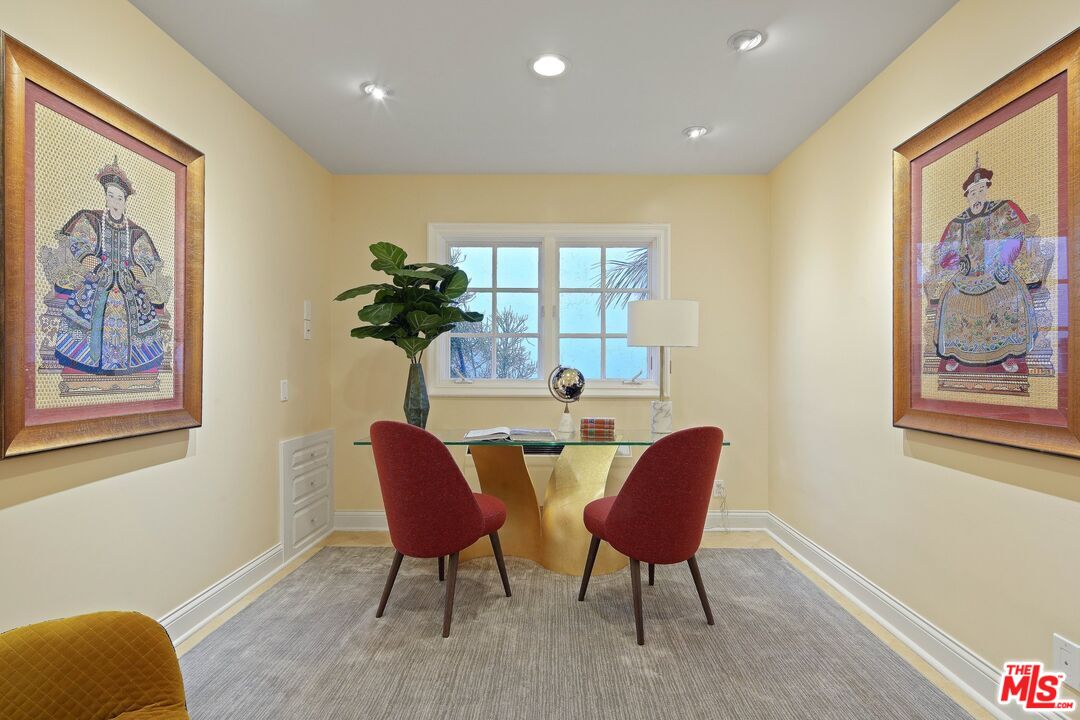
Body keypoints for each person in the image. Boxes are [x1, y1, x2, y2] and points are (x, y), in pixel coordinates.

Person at [46, 156, 170, 375]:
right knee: (85, 300)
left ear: (125, 201)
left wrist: (132, 274)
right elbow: (80, 243)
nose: (115, 202)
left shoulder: (135, 231)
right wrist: (96, 266)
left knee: (140, 307)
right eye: (110, 196)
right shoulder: (92, 219)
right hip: (98, 278)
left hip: (127, 282)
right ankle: (86, 359)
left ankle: (132, 362)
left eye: (119, 198)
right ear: (106, 197)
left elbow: (146, 258)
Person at [924, 153, 1042, 374]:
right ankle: (955, 354)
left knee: (1008, 297)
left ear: (986, 190)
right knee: (951, 301)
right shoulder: (958, 223)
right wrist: (958, 262)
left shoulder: (1000, 210)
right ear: (967, 196)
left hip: (997, 273)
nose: (977, 196)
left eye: (980, 191)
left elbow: (1016, 235)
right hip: (967, 275)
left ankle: (1008, 353)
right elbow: (945, 253)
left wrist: (1004, 262)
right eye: (973, 193)